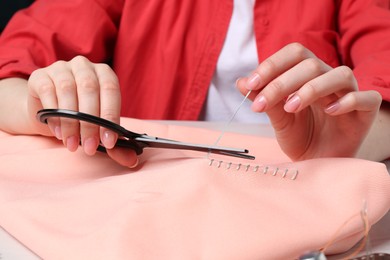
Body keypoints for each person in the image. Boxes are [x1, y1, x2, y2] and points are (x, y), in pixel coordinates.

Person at [0, 0, 389, 168]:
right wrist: (46, 107)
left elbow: (382, 86)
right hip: (150, 194)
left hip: (304, 191)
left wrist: (352, 144)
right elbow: (11, 68)